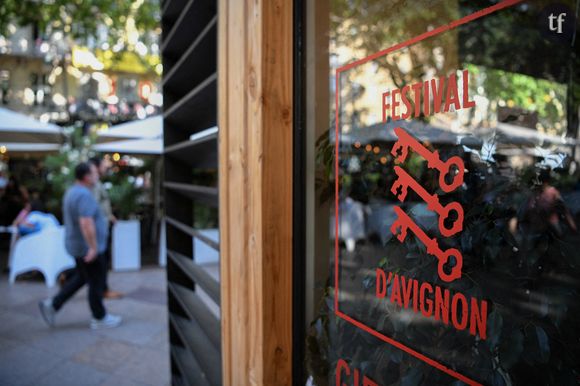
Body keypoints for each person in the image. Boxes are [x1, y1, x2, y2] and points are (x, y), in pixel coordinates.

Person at [39, 162, 122, 329]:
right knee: (96, 281)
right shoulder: (83, 195)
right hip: (87, 248)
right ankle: (99, 317)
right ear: (86, 176)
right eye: (94, 172)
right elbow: (86, 223)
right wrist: (93, 247)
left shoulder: (73, 191)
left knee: (83, 277)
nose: (97, 174)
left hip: (78, 246)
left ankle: (53, 305)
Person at [89, 156, 123, 299]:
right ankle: (103, 290)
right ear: (96, 167)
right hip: (100, 228)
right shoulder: (94, 183)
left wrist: (110, 216)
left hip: (102, 225)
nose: (105, 167)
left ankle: (102, 289)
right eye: (103, 164)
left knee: (99, 261)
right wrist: (106, 217)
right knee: (101, 261)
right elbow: (94, 205)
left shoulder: (96, 182)